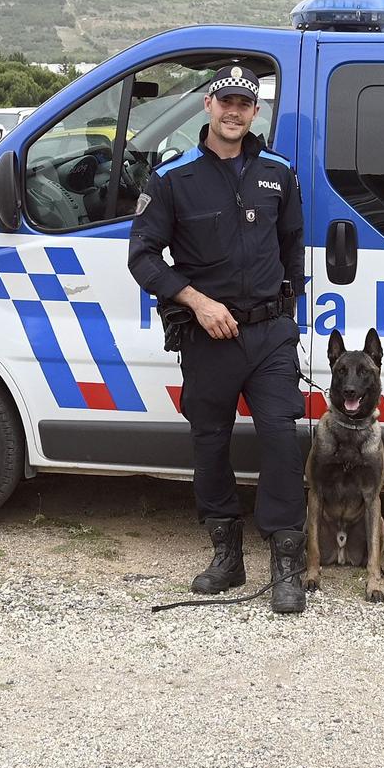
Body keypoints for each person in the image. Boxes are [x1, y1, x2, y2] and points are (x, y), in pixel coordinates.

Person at [128, 67, 309, 614]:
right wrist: (197, 303)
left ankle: (286, 563)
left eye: (245, 104)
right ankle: (226, 557)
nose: (234, 112)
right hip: (209, 336)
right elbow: (142, 258)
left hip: (271, 334)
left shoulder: (279, 173)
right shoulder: (173, 177)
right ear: (209, 105)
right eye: (226, 101)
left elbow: (294, 244)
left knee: (281, 435)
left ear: (256, 112)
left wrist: (288, 309)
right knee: (210, 442)